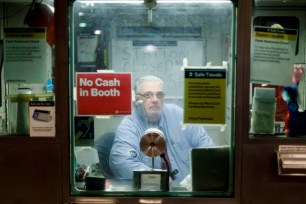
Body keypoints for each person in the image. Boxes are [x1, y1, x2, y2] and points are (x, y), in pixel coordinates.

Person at [109, 75, 215, 184]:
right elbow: (121, 163)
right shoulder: (129, 125)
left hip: (187, 191)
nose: (155, 100)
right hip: (149, 194)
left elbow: (208, 151)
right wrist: (159, 179)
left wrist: (194, 178)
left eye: (159, 95)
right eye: (148, 95)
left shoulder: (178, 115)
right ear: (137, 101)